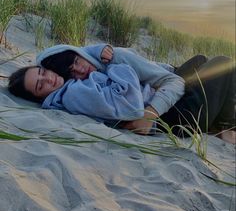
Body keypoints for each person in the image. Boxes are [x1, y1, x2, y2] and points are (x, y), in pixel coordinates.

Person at [35, 44, 235, 140]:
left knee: (199, 61)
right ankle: (225, 127)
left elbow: (172, 81)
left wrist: (97, 50)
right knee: (223, 64)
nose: (80, 70)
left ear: (81, 53)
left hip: (163, 99)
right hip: (177, 119)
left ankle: (222, 122)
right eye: (72, 72)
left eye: (78, 61)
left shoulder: (114, 59)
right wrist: (151, 113)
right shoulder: (83, 88)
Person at [8, 62, 154, 124]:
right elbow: (133, 108)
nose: (49, 79)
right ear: (38, 98)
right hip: (161, 109)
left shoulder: (69, 87)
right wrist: (114, 67)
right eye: (41, 85)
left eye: (43, 72)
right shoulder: (72, 94)